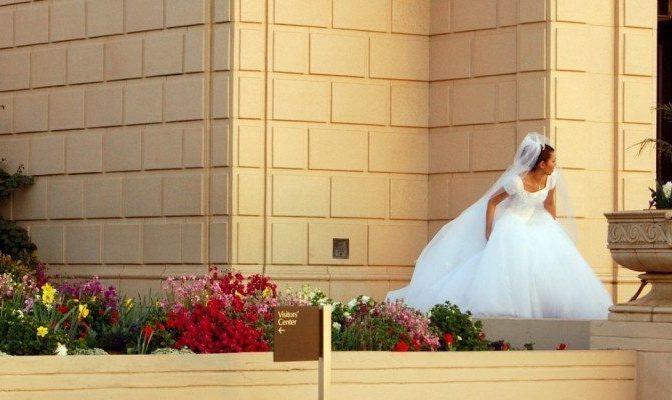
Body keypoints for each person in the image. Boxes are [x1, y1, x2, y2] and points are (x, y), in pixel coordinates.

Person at [386, 132, 612, 319]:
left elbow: (550, 204)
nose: (556, 164)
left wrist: (555, 230)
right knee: (513, 264)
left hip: (537, 222)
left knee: (548, 265)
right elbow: (492, 202)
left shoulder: (550, 179)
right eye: (553, 161)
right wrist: (489, 228)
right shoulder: (517, 182)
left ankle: (549, 308)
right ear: (542, 164)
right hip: (514, 223)